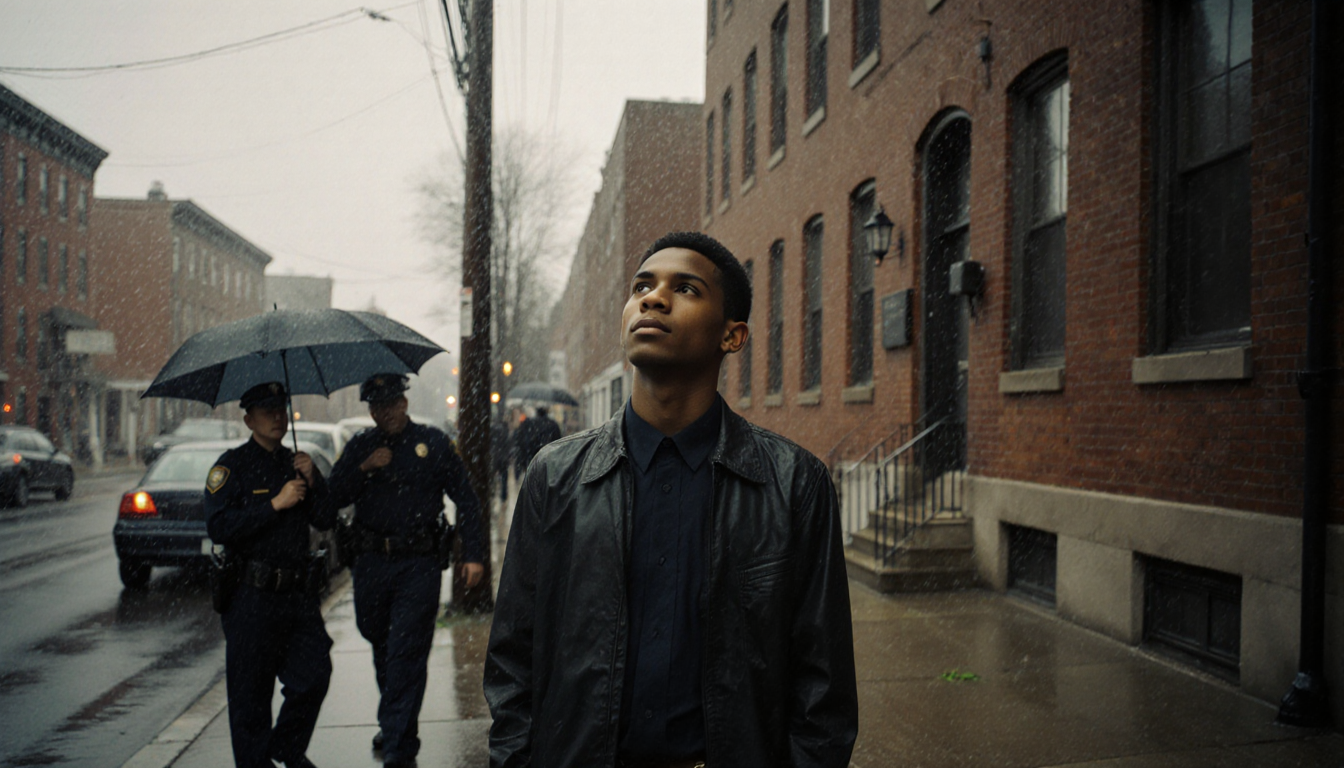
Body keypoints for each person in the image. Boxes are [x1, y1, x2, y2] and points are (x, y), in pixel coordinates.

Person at [485, 232, 858, 767]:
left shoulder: (793, 484)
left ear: (732, 336)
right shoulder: (556, 477)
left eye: (685, 289)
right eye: (642, 286)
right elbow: (513, 662)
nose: (653, 298)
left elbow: (823, 691)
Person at [325, 373, 487, 768]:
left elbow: (466, 498)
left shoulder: (431, 443)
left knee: (406, 651)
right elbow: (331, 499)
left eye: (392, 403)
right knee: (381, 644)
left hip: (418, 564)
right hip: (371, 564)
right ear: (370, 409)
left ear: (404, 403)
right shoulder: (361, 446)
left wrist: (475, 554)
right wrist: (362, 468)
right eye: (377, 406)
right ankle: (396, 720)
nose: (386, 411)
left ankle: (400, 745)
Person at [204, 381, 333, 768]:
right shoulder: (231, 467)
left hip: (296, 596)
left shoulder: (295, 463)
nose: (277, 417)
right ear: (248, 419)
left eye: (281, 409)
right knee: (250, 701)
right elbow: (219, 526)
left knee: (314, 675)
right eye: (266, 411)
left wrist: (314, 480)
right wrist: (275, 505)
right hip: (251, 597)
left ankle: (288, 747)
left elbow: (325, 518)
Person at [512, 405, 562, 478]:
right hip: (548, 457)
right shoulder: (553, 424)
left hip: (534, 457)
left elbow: (525, 441)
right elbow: (558, 441)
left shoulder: (531, 424)